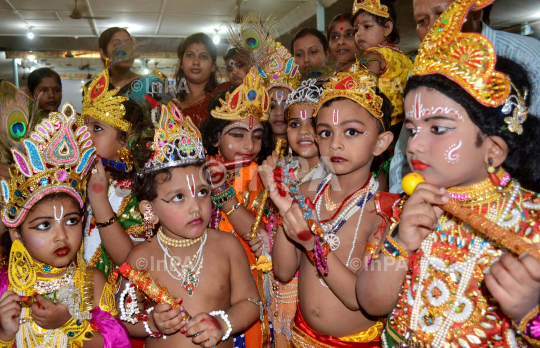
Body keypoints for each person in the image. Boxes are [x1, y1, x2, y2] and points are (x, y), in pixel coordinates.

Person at [355, 0, 540, 346]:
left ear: (494, 149)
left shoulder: (530, 224)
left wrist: (532, 317)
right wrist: (399, 245)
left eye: (438, 129)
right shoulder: (406, 209)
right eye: (411, 128)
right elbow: (370, 302)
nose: (415, 146)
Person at [268, 63, 395, 347]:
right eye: (326, 133)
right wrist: (285, 210)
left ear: (381, 142)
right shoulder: (305, 192)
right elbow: (283, 271)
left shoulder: (383, 213)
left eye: (351, 132)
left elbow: (358, 299)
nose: (335, 144)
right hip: (300, 336)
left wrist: (313, 244)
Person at [119, 102, 261, 347]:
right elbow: (125, 317)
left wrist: (222, 324)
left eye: (203, 192)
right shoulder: (140, 257)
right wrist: (151, 323)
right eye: (178, 197)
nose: (195, 207)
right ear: (148, 209)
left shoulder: (227, 247)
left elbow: (251, 303)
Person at [0, 102, 131, 347]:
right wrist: (5, 336)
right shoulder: (5, 288)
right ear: (16, 232)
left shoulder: (93, 283)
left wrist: (71, 324)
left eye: (71, 221)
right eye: (44, 226)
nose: (62, 236)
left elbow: (117, 343)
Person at [389, 0, 540, 194]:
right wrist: (401, 207)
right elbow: (402, 155)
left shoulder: (529, 57)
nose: (435, 27)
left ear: (476, 11)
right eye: (422, 20)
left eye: (443, 15)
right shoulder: (420, 75)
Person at [200, 67, 274, 348]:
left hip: (248, 280)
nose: (250, 145)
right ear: (215, 138)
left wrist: (223, 192)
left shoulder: (264, 176)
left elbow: (257, 234)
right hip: (206, 277)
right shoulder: (198, 172)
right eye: (238, 134)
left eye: (257, 135)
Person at [262, 78, 327, 347]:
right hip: (275, 290)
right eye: (294, 124)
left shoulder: (330, 181)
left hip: (308, 297)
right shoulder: (282, 170)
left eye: (313, 123)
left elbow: (289, 267)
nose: (303, 132)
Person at [82, 63, 150, 286]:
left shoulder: (137, 194)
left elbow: (130, 263)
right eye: (83, 126)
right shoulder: (74, 182)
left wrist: (99, 201)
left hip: (117, 308)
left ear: (126, 141)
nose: (84, 134)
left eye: (97, 128)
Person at [353, 0, 413, 133]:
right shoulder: (405, 59)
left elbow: (365, 90)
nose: (359, 33)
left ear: (387, 28)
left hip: (381, 125)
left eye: (367, 26)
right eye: (356, 29)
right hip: (404, 126)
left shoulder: (372, 55)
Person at [173, 32, 231, 127]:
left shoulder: (224, 101)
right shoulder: (172, 108)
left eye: (203, 57)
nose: (196, 62)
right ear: (181, 64)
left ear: (213, 66)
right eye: (190, 55)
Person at [97, 27, 165, 104]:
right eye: (116, 45)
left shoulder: (151, 84)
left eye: (129, 45)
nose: (125, 50)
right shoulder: (96, 88)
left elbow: (165, 114)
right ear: (103, 53)